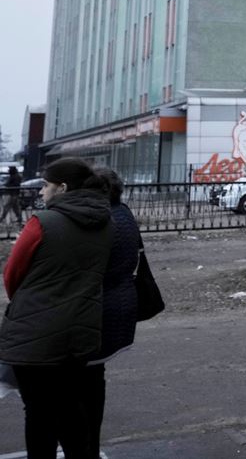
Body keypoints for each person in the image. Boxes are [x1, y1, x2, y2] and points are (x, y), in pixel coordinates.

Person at [0, 157, 113, 459]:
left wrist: (28, 303)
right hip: (80, 331)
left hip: (35, 334)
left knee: (38, 413)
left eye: (46, 186)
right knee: (70, 408)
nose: (41, 192)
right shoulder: (105, 221)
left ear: (62, 188)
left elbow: (12, 275)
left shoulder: (42, 223)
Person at [86, 166, 144, 455]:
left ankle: (84, 446)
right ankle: (88, 445)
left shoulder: (103, 221)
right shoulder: (124, 214)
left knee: (83, 386)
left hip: (97, 312)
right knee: (94, 381)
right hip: (118, 307)